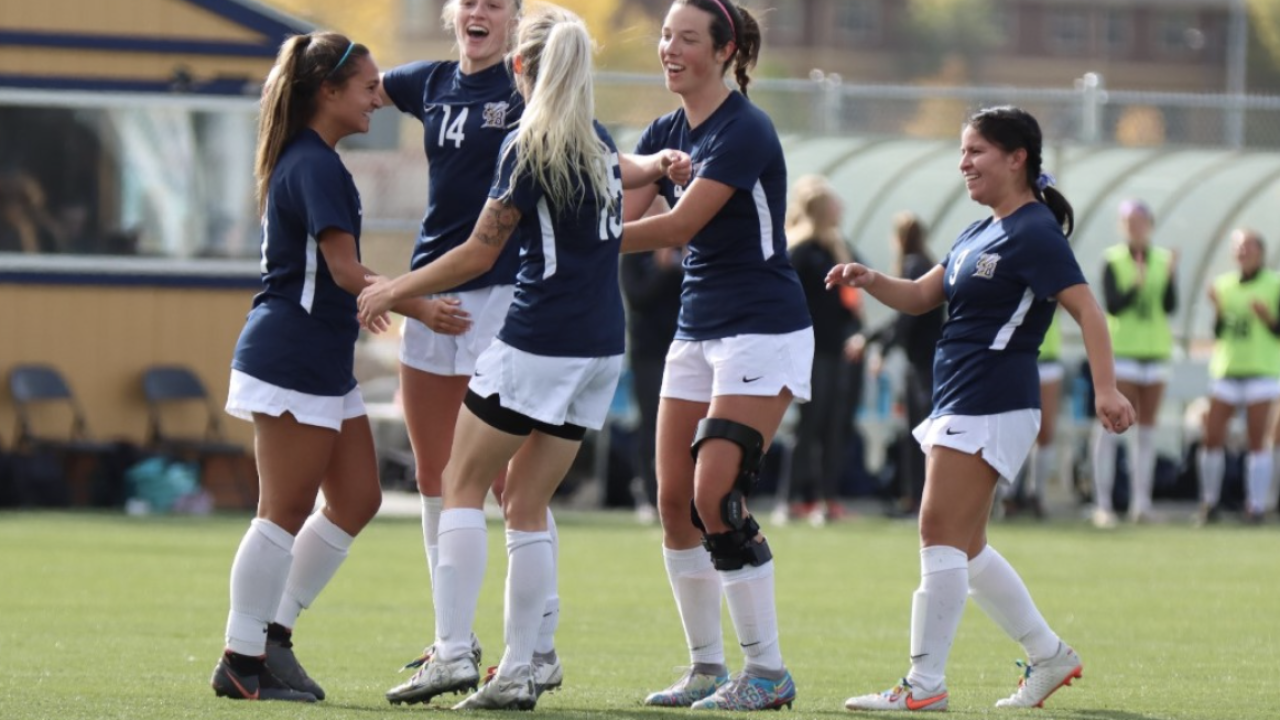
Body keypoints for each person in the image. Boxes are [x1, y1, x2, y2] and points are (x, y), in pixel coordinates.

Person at [359, 5, 683, 710]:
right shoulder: (597, 141)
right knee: (528, 503)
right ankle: (524, 664)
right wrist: (657, 164)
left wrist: (395, 287)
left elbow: (481, 250)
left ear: (519, 69)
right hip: (601, 347)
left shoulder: (528, 141)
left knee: (459, 482)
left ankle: (450, 654)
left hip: (540, 340)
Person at [830, 106, 1135, 712]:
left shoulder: (1034, 232)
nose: (963, 162)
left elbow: (1088, 311)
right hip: (963, 396)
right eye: (962, 151)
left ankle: (923, 687)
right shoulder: (978, 230)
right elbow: (921, 296)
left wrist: (1106, 388)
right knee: (964, 547)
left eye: (976, 151)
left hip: (993, 397)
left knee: (935, 531)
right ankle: (1049, 656)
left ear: (1017, 157)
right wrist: (871, 279)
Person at [210, 31, 423, 702]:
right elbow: (341, 271)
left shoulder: (315, 159)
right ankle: (242, 660)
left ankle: (272, 633)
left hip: (321, 357)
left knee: (359, 498)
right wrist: (419, 301)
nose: (376, 100)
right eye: (365, 88)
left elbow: (339, 274)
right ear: (326, 93)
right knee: (283, 511)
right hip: (292, 353)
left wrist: (398, 295)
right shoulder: (317, 164)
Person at [620, 0, 811, 711]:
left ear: (725, 51)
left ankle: (767, 673)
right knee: (674, 503)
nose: (670, 48)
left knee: (714, 496)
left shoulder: (745, 128)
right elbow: (627, 211)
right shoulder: (665, 131)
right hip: (697, 331)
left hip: (763, 326)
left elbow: (678, 222)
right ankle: (706, 667)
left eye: (688, 38)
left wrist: (575, 237)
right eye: (666, 35)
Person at [849, 212, 944, 517]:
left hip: (923, 365)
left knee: (919, 434)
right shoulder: (926, 263)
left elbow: (905, 318)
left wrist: (880, 350)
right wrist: (872, 339)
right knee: (922, 434)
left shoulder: (913, 266)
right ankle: (917, 498)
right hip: (927, 362)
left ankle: (918, 500)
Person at [1091, 199, 1178, 527]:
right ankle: (1104, 504)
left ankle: (1142, 503)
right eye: (1129, 221)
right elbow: (1113, 305)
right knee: (1112, 429)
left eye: (1140, 221)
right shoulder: (1112, 260)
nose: (1135, 227)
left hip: (1155, 353)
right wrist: (1136, 285)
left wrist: (1168, 278)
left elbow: (1170, 305)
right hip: (1123, 353)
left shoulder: (1164, 259)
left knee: (1147, 432)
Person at [783, 174, 863, 525]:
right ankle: (793, 499)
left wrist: (856, 327)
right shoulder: (799, 251)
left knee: (835, 425)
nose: (841, 208)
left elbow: (852, 297)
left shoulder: (838, 248)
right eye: (834, 202)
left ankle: (827, 499)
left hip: (838, 348)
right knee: (809, 425)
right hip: (810, 351)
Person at [1197, 229, 1280, 525]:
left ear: (1261, 250)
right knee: (1212, 436)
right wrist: (1217, 309)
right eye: (1238, 247)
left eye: (1248, 246)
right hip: (1227, 370)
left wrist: (1267, 318)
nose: (1243, 251)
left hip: (1261, 372)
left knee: (1258, 441)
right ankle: (1209, 502)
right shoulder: (1224, 286)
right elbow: (1219, 331)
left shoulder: (1274, 284)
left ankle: (1255, 506)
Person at [620, 242, 684, 523]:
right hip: (649, 352)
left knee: (687, 425)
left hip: (685, 349)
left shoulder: (689, 246)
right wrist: (661, 269)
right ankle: (648, 494)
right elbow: (637, 297)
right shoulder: (636, 251)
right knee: (651, 423)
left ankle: (683, 495)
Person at [1004, 311, 1063, 519]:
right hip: (1015, 353)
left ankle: (1036, 493)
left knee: (1045, 430)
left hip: (1046, 355)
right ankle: (1007, 495)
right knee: (1014, 427)